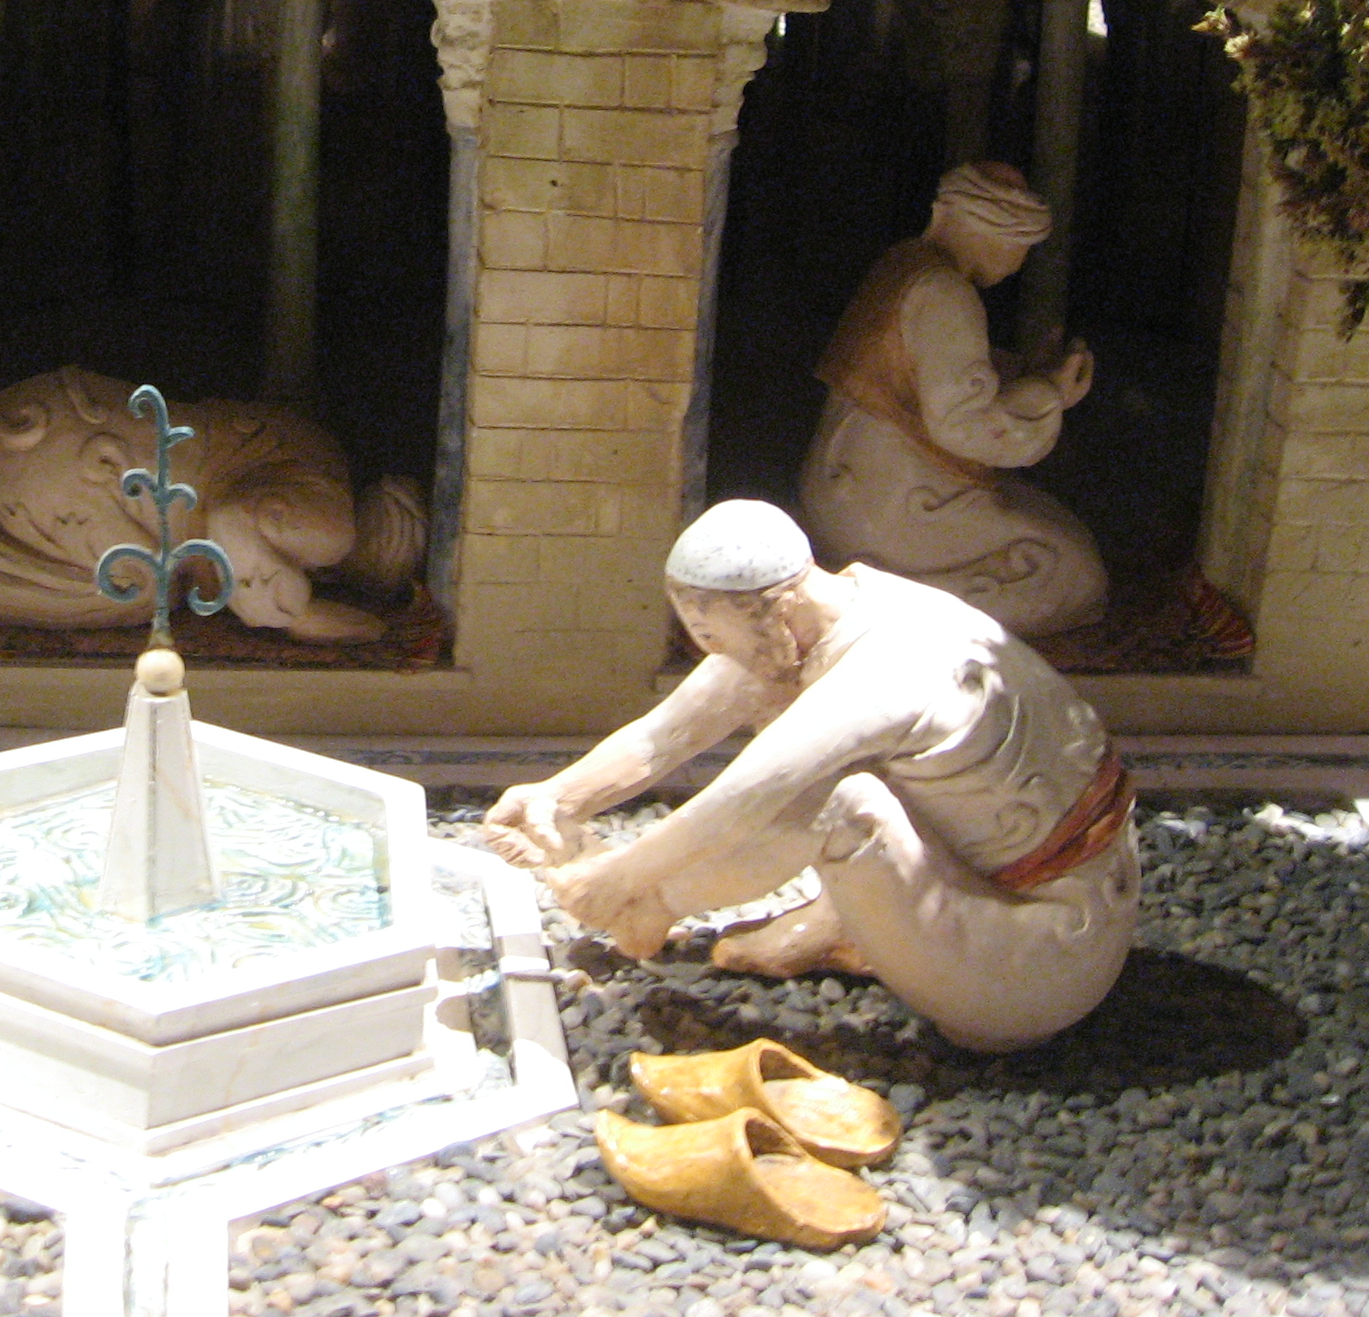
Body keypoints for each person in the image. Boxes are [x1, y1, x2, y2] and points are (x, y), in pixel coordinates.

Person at [481, 501, 1137, 1053]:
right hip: (991, 881)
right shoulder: (825, 614)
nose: (712, 655)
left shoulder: (888, 667)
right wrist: (557, 797)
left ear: (780, 607)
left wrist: (625, 886)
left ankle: (663, 914)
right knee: (798, 724)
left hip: (1042, 961)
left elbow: (743, 797)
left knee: (838, 800)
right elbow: (667, 735)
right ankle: (848, 924)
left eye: (713, 636)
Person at [798, 161, 1106, 638]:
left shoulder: (904, 264)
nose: (1019, 263)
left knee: (1050, 522)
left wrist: (1024, 372)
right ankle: (888, 606)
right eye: (1023, 248)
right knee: (1074, 573)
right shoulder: (944, 293)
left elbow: (929, 376)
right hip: (890, 511)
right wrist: (1050, 394)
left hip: (849, 490)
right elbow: (963, 426)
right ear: (1000, 236)